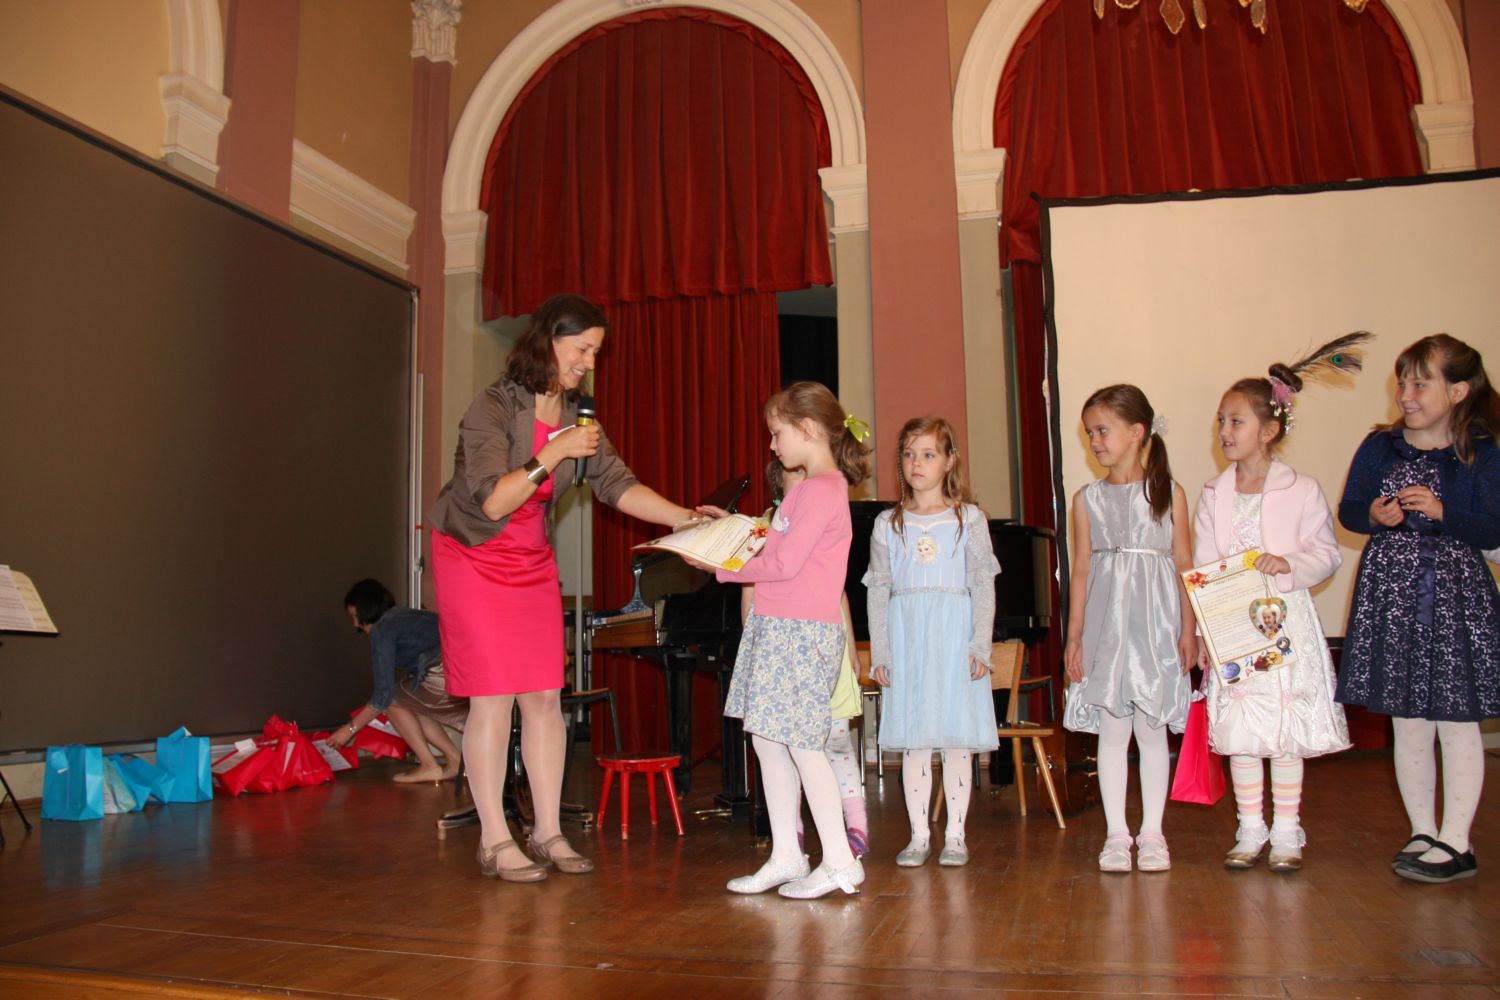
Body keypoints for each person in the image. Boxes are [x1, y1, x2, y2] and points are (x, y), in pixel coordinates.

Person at [426, 293, 705, 883]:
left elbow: (617, 485)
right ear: (548, 341)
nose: (589, 363)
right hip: (473, 554)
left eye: (596, 352)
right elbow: (494, 500)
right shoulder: (492, 407)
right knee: (493, 696)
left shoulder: (579, 415)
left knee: (545, 696)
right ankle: (495, 840)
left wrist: (686, 519)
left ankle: (547, 831)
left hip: (529, 557)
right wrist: (553, 451)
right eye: (582, 349)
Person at [1193, 337, 1366, 873]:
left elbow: (1325, 554)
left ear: (1268, 430)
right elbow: (1204, 566)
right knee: (1243, 727)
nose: (1225, 431)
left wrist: (1286, 563)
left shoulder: (1301, 489)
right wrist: (1203, 633)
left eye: (1236, 421)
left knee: (1285, 729)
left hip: (1283, 622)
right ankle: (1250, 829)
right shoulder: (1213, 494)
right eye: (1221, 421)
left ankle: (1287, 831)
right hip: (1233, 624)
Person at [1336, 334, 1500, 884]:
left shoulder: (1480, 451)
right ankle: (1423, 830)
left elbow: (1493, 527)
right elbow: (1350, 510)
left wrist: (1444, 511)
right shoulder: (1380, 446)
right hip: (1393, 596)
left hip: (1456, 601)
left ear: (1457, 391)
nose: (1405, 395)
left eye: (1419, 384)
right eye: (1402, 383)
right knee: (1407, 721)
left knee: (1455, 720)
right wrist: (1374, 515)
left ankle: (1457, 841)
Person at [712, 381, 871, 899]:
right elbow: (775, 546)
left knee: (803, 745)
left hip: (802, 633)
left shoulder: (823, 490)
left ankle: (841, 861)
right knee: (767, 739)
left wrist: (720, 564)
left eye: (777, 433)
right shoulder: (805, 491)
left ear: (807, 429)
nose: (772, 444)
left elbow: (782, 564)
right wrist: (732, 531)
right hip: (779, 627)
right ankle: (786, 855)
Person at [1062, 385, 1194, 873]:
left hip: (1156, 629)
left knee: (1153, 730)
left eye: (1102, 430)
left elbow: (1184, 566)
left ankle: (1153, 833)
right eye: (1089, 433)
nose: (1094, 441)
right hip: (1108, 631)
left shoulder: (1169, 494)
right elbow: (1080, 570)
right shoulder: (1087, 499)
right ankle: (1117, 834)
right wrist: (1075, 636)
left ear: (1137, 432)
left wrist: (1190, 631)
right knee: (1113, 731)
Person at [865, 416, 1000, 868]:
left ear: (949, 461)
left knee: (956, 740)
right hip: (908, 642)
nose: (916, 463)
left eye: (927, 454)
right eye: (908, 454)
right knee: (915, 740)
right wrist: (881, 651)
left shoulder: (968, 519)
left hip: (953, 639)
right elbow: (878, 589)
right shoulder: (888, 524)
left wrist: (979, 646)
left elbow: (982, 584)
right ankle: (919, 835)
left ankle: (956, 836)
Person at [740, 461, 870, 859]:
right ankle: (790, 836)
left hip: (821, 647)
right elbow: (751, 586)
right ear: (779, 485)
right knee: (782, 747)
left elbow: (838, 591)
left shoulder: (823, 506)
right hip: (781, 649)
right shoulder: (767, 527)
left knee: (834, 742)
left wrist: (850, 648)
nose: (804, 485)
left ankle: (855, 826)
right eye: (794, 476)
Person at [328, 578, 467, 783]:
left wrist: (348, 730)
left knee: (392, 701)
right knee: (410, 702)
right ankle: (454, 760)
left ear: (367, 610)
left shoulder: (382, 629)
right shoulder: (404, 616)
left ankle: (429, 765)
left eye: (356, 617)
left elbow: (382, 696)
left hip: (444, 673)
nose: (355, 624)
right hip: (464, 673)